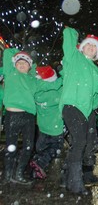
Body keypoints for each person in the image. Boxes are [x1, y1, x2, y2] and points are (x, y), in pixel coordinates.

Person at [59, 27, 98, 195]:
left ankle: (71, 175)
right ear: (82, 46)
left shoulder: (95, 70)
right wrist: (72, 31)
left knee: (89, 143)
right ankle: (74, 182)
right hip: (72, 105)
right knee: (79, 142)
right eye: (89, 45)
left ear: (97, 52)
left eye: (95, 47)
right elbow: (68, 40)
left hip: (87, 111)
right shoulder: (74, 58)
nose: (91, 48)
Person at [2, 49, 37, 185]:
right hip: (12, 114)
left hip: (28, 116)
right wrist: (22, 53)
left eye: (25, 63)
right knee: (11, 146)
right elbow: (7, 53)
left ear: (29, 66)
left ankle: (19, 173)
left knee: (29, 146)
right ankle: (7, 175)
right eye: (19, 62)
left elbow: (45, 86)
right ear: (14, 64)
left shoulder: (32, 80)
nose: (22, 64)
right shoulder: (10, 73)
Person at [30, 65, 64, 179]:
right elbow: (65, 84)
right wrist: (63, 72)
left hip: (42, 126)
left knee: (41, 148)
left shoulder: (36, 93)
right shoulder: (56, 92)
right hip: (55, 127)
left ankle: (35, 167)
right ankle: (39, 163)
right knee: (55, 149)